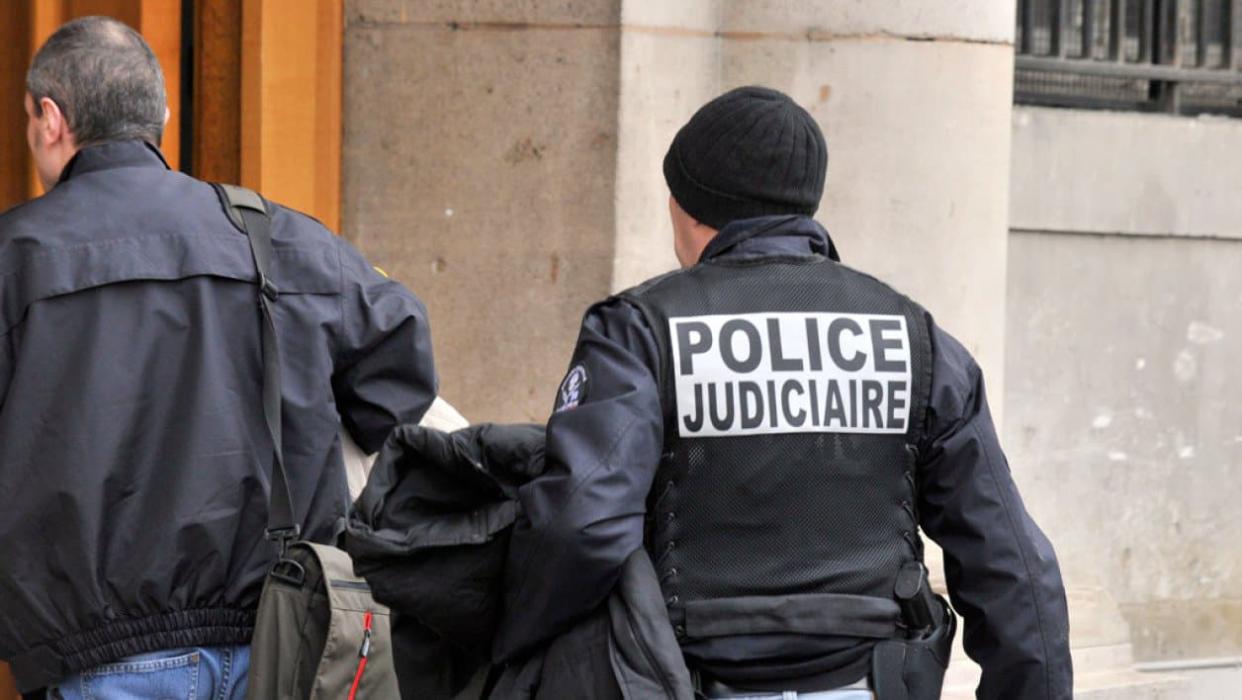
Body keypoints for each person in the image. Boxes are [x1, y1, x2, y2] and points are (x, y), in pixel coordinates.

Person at [495, 86, 1073, 699]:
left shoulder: (639, 331)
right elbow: (1010, 564)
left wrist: (506, 640)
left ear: (687, 206)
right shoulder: (915, 340)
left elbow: (581, 523)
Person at [0, 17, 437, 698]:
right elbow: (400, 365)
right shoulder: (273, 237)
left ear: (50, 120)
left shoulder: (14, 260)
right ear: (164, 117)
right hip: (283, 641)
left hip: (99, 658)